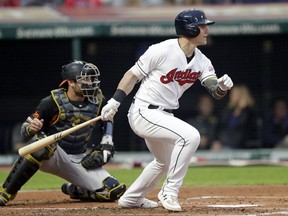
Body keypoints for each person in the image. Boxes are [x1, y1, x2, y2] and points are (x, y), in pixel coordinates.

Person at [101, 9, 233, 212]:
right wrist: (114, 102)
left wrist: (222, 88)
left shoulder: (202, 61)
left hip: (164, 115)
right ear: (189, 29)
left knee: (163, 162)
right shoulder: (161, 50)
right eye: (202, 26)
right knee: (191, 136)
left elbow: (214, 90)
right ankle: (169, 191)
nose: (206, 30)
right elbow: (132, 75)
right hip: (144, 111)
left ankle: (131, 198)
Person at [0, 60, 126, 206]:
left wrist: (107, 140)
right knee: (43, 145)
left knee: (113, 191)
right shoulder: (51, 102)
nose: (91, 83)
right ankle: (6, 192)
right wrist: (31, 127)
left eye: (92, 78)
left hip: (78, 157)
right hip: (52, 155)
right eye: (85, 79)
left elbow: (107, 118)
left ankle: (75, 189)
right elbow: (25, 129)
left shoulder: (98, 100)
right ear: (71, 82)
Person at [211, 84, 260, 150]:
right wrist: (216, 141)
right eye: (232, 94)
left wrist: (245, 109)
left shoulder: (249, 111)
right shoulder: (227, 111)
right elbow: (219, 127)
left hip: (240, 146)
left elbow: (250, 129)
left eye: (235, 94)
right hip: (223, 144)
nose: (231, 96)